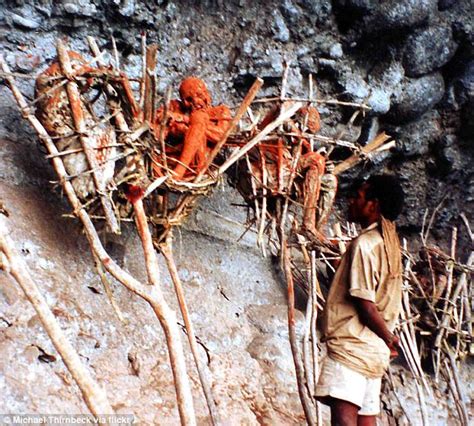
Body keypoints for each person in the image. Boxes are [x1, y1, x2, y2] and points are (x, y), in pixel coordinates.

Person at [315, 174, 405, 426]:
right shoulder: (390, 245)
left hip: (352, 349)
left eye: (358, 197)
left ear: (373, 205)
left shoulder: (365, 244)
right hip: (373, 352)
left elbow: (365, 306)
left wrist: (390, 338)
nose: (351, 201)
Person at [151, 77, 231, 180]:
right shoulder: (175, 107)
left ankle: (180, 171)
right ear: (182, 100)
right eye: (188, 99)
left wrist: (187, 121)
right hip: (171, 159)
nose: (196, 102)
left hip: (198, 164)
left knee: (199, 117)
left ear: (207, 94)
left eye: (199, 95)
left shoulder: (221, 111)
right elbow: (157, 126)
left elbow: (221, 136)